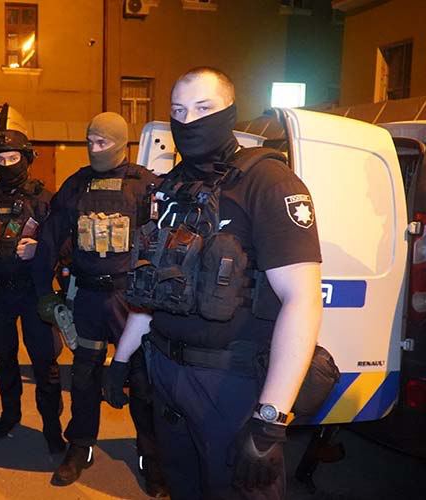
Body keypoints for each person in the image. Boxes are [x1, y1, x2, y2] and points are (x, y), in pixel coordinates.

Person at [108, 67, 323, 499]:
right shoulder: (170, 188)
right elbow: (153, 290)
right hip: (167, 375)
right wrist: (121, 359)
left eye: (203, 108)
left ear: (230, 112)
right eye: (178, 111)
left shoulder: (268, 182)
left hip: (230, 384)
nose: (189, 121)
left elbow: (302, 298)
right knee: (183, 487)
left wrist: (270, 418)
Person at [32, 112, 168, 496]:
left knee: (140, 380)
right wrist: (44, 290)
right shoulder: (76, 184)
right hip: (88, 297)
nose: (94, 149)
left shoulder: (145, 185)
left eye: (102, 142)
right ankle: (81, 447)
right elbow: (50, 239)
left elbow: (165, 243)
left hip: (130, 300)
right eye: (90, 141)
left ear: (121, 142)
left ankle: (150, 457)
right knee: (84, 376)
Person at [0, 130, 65, 454]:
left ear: (27, 158)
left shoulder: (45, 200)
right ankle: (10, 414)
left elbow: (65, 247)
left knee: (45, 363)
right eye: (1, 159)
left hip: (35, 293)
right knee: (3, 358)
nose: (7, 165)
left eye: (13, 158)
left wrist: (39, 247)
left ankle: (52, 427)